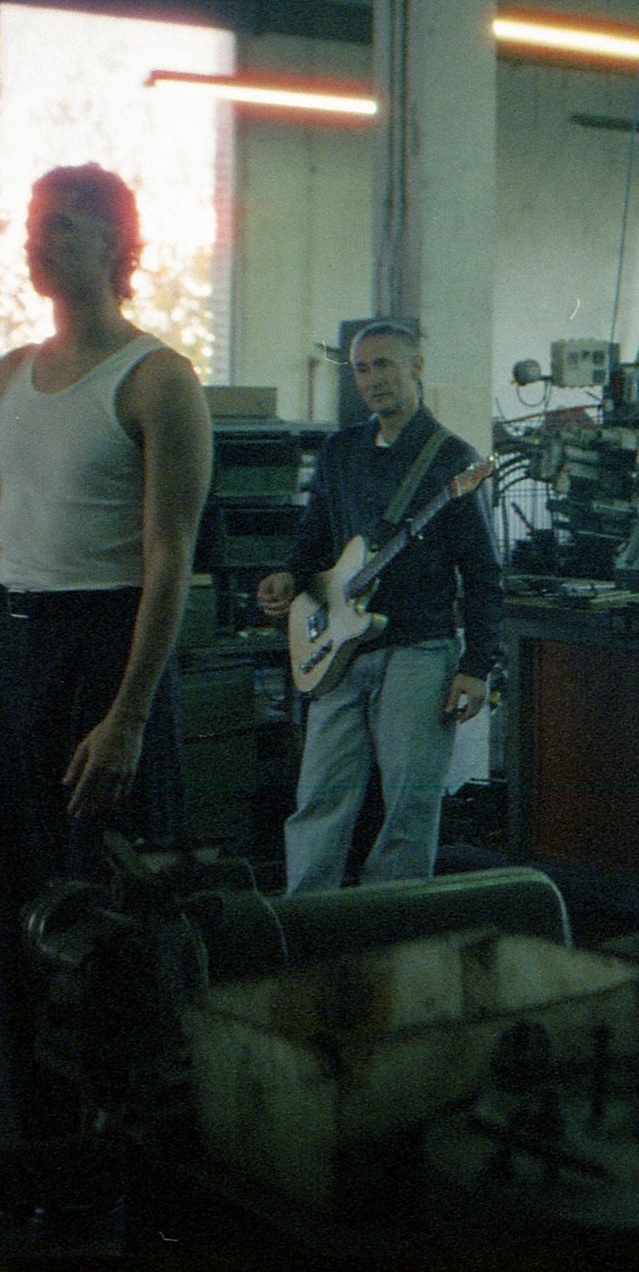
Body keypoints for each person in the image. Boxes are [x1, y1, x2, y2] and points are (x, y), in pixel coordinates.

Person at [0, 163, 213, 1140]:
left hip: (106, 652)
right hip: (19, 652)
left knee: (112, 908)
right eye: (32, 225)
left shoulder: (156, 379)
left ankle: (134, 1143)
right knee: (20, 904)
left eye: (62, 225)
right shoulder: (10, 372)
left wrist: (130, 713)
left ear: (115, 244)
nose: (37, 240)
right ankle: (48, 1140)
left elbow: (169, 556)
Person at [258, 320, 501, 894]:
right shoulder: (340, 451)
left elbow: (484, 575)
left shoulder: (453, 460)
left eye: (385, 365)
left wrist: (477, 666)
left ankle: (392, 925)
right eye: (362, 369)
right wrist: (289, 577)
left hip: (419, 650)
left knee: (408, 806)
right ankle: (306, 920)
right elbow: (313, 539)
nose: (372, 379)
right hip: (339, 650)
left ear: (416, 367)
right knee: (319, 796)